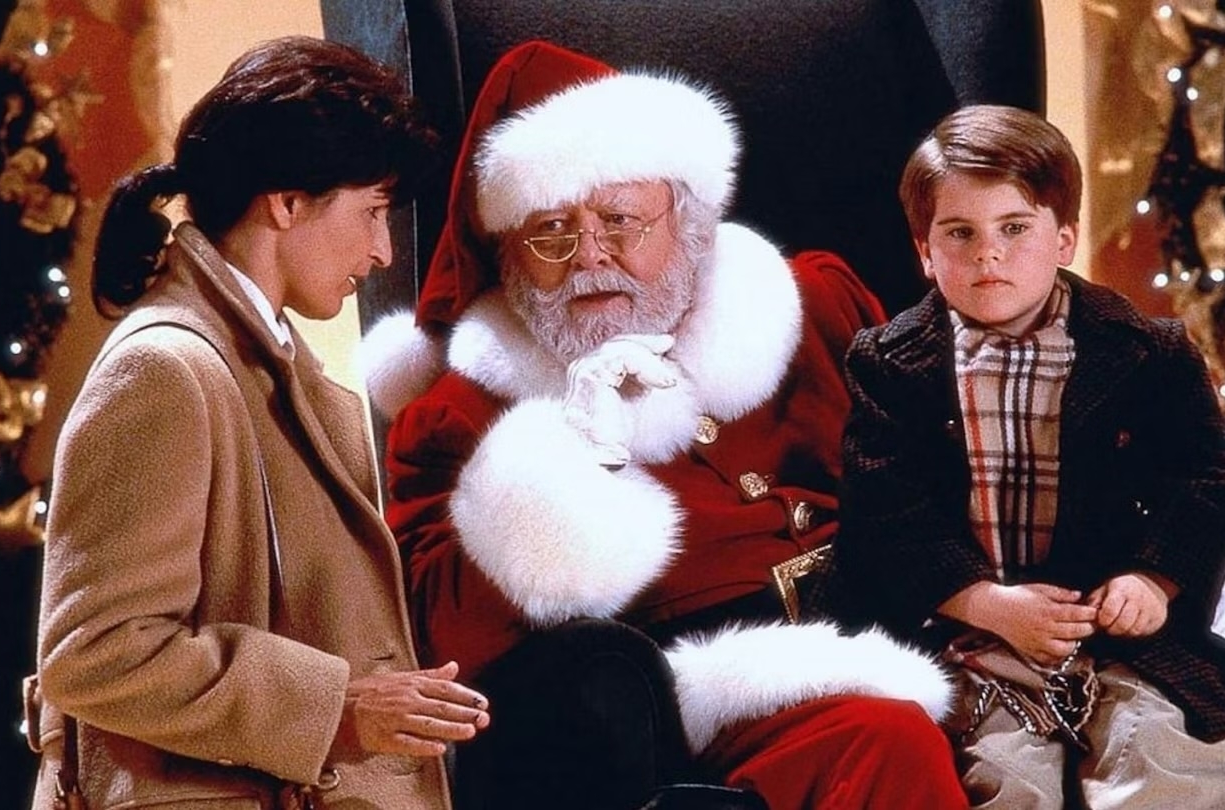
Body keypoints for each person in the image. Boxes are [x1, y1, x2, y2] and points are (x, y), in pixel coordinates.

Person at [357, 40, 965, 810]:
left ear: (689, 220)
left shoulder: (811, 306)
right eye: (550, 232)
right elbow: (444, 648)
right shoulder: (459, 414)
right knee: (889, 741)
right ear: (504, 254)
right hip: (712, 706)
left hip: (910, 626)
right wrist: (567, 454)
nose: (589, 257)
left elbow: (949, 465)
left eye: (620, 219)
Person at [28, 36, 489, 810]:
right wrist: (337, 708)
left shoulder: (264, 367)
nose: (381, 251)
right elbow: (96, 650)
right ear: (286, 202)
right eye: (371, 211)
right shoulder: (168, 369)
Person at [833, 103, 1225, 809]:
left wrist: (1153, 579)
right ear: (925, 251)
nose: (988, 254)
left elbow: (1210, 482)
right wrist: (984, 602)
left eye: (1014, 229)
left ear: (1064, 238)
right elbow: (887, 512)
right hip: (974, 636)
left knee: (1166, 748)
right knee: (1003, 769)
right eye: (959, 233)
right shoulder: (891, 363)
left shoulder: (1144, 349)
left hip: (1118, 633)